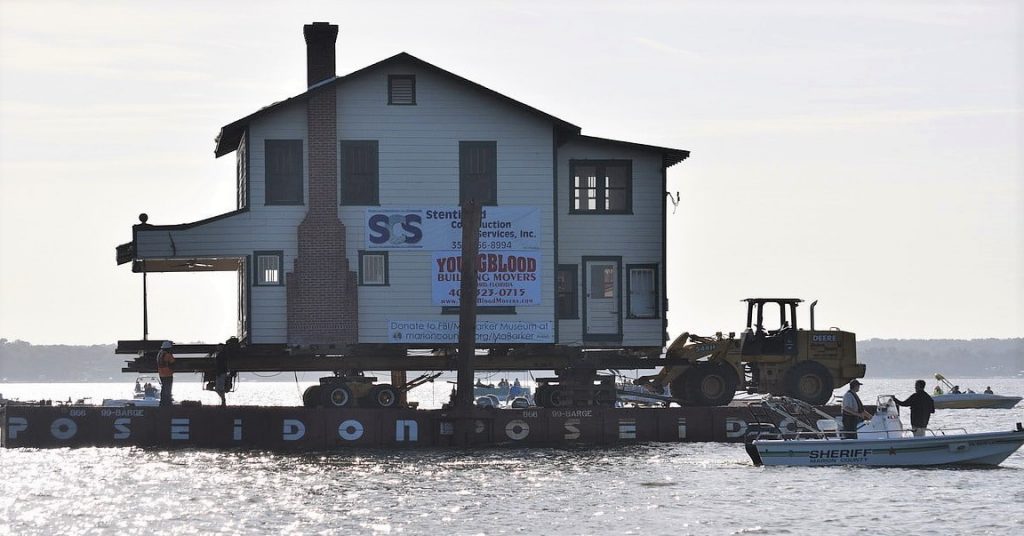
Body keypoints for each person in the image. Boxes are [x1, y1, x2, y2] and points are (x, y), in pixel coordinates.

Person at [156, 340, 175, 407]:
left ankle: (163, 402)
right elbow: (173, 363)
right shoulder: (168, 355)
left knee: (164, 388)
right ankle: (168, 403)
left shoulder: (160, 354)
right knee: (168, 389)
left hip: (161, 374)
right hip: (168, 374)